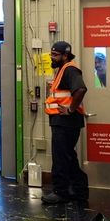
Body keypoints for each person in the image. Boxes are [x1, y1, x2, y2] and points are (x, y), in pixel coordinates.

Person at [42, 41, 89, 204]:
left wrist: (69, 109)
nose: (52, 58)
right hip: (62, 122)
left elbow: (81, 89)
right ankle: (79, 190)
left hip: (66, 122)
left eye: (55, 55)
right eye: (51, 54)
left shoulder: (70, 69)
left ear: (65, 55)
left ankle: (61, 192)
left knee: (61, 158)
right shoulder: (62, 70)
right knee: (68, 158)